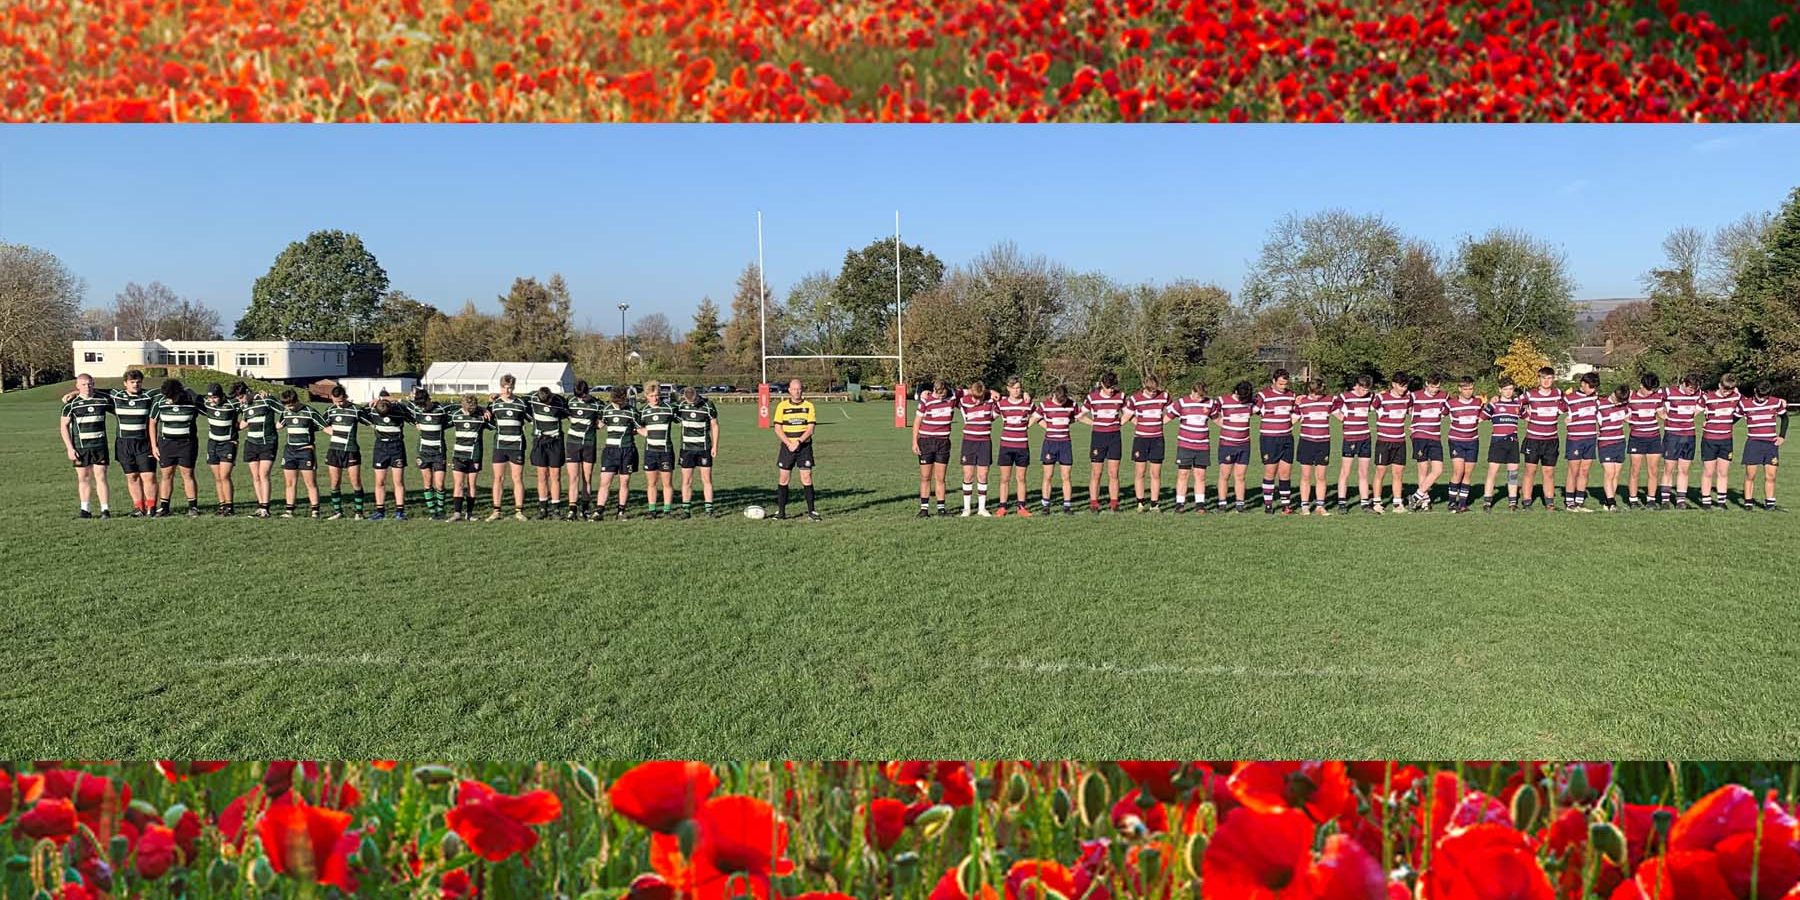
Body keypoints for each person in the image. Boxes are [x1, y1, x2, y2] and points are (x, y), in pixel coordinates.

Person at [59, 373, 113, 518]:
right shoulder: (71, 405)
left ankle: (105, 510)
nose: (87, 387)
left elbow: (116, 397)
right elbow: (63, 427)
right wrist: (69, 448)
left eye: (90, 384)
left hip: (100, 445)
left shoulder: (103, 400)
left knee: (101, 476)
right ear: (77, 385)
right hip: (80, 447)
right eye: (83, 384)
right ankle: (85, 509)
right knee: (83, 478)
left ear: (93, 384)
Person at [108, 369, 161, 516]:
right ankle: (139, 507)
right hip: (124, 443)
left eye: (138, 382)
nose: (135, 385)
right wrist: (74, 393)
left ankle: (151, 507)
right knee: (132, 476)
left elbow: (167, 389)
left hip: (144, 443)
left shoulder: (147, 395)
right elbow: (93, 390)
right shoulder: (117, 395)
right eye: (132, 382)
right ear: (125, 383)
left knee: (148, 476)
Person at [149, 377, 202, 517]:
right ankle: (164, 507)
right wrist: (154, 445)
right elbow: (152, 422)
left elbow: (210, 408)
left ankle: (193, 507)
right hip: (166, 444)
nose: (170, 399)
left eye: (172, 396)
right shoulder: (159, 401)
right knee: (166, 475)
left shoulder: (191, 400)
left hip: (187, 443)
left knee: (188, 474)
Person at [1078, 372, 1128, 513]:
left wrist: (1119, 423)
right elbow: (1080, 416)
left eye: (1113, 387)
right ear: (1101, 385)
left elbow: (1128, 413)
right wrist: (1094, 423)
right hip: (1098, 437)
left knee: (1113, 473)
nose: (1111, 390)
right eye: (1108, 387)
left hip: (1114, 437)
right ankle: (1094, 503)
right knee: (1096, 473)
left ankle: (1114, 503)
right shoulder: (1092, 397)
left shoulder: (1121, 396)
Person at [772, 378, 819, 520]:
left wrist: (798, 441)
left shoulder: (809, 406)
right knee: (784, 478)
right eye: (794, 389)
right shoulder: (782, 406)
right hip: (787, 447)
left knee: (806, 477)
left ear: (802, 390)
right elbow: (778, 428)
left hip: (804, 447)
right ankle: (781, 512)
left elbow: (810, 429)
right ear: (789, 390)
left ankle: (812, 511)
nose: (797, 391)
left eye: (799, 389)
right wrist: (789, 443)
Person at [1520, 366, 1566, 511]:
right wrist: (1525, 415)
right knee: (1530, 471)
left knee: (1549, 472)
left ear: (1553, 379)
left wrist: (1559, 411)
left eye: (1549, 378)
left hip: (1551, 440)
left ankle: (1549, 503)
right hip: (1533, 439)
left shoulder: (1558, 393)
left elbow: (1567, 404)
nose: (1546, 381)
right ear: (1538, 379)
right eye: (1543, 378)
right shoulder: (1530, 394)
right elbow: (1515, 403)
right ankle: (1527, 501)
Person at [361, 392, 412, 520]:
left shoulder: (399, 411)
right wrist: (373, 402)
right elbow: (360, 412)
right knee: (379, 481)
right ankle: (380, 511)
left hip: (397, 447)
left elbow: (408, 406)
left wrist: (382, 399)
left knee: (398, 481)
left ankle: (400, 512)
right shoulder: (374, 412)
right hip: (380, 448)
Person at [487, 374, 531, 521]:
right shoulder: (495, 403)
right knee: (498, 478)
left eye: (511, 387)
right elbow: (487, 417)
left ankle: (519, 510)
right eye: (506, 388)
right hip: (500, 445)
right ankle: (496, 510)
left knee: (517, 478)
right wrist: (488, 404)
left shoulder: (521, 403)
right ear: (501, 387)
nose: (509, 391)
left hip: (516, 446)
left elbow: (531, 418)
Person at [277, 389, 327, 518]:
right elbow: (278, 426)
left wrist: (340, 436)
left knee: (310, 483)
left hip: (306, 451)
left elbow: (325, 427)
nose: (289, 408)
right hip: (290, 451)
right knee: (289, 482)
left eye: (291, 405)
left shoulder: (310, 412)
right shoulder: (285, 412)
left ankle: (315, 511)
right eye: (286, 406)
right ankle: (289, 511)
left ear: (297, 401)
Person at [1252, 369, 1297, 514]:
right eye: (1280, 384)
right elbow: (1254, 410)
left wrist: (1290, 423)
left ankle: (1286, 505)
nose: (1283, 386)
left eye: (1285, 384)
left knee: (1285, 472)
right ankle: (1268, 504)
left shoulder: (1291, 395)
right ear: (1273, 381)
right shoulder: (1263, 395)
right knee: (1270, 471)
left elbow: (1296, 412)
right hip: (1269, 438)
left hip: (1287, 437)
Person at [406, 387, 454, 521]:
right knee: (427, 483)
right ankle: (433, 512)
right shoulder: (417, 409)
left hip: (439, 452)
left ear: (429, 399)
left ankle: (441, 510)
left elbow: (459, 406)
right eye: (419, 405)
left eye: (424, 404)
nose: (422, 408)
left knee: (440, 484)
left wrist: (483, 409)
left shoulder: (441, 409)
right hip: (423, 452)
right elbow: (401, 405)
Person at [1738, 381, 1786, 510]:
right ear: (1755, 391)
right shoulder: (1745, 404)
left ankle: (1770, 503)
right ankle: (1748, 502)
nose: (1761, 399)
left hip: (1771, 444)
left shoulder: (1776, 402)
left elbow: (1785, 418)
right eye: (1760, 396)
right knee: (1750, 475)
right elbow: (1732, 419)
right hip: (1753, 443)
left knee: (1771, 475)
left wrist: (1782, 436)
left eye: (1765, 397)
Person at [320, 385, 367, 520]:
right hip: (334, 451)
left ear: (345, 397)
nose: (338, 404)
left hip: (351, 450)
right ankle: (338, 512)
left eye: (340, 401)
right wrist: (329, 431)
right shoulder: (330, 410)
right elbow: (321, 424)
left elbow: (370, 420)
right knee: (335, 482)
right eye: (335, 401)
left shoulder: (355, 410)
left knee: (355, 482)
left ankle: (359, 513)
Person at [1170, 381, 1217, 513]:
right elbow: (1167, 417)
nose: (1200, 399)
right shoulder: (1181, 403)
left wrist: (1234, 425)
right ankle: (1180, 504)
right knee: (1183, 474)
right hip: (1185, 445)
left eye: (1202, 396)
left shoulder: (1210, 404)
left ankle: (1200, 505)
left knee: (1200, 475)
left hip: (1202, 445)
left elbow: (1218, 419)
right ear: (1192, 392)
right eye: (1198, 396)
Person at [1125, 375, 1170, 512]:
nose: (1153, 393)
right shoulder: (1135, 399)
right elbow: (1128, 415)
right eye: (1150, 391)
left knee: (1155, 473)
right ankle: (1140, 503)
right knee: (1140, 472)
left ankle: (1154, 504)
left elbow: (1173, 411)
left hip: (1157, 439)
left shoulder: (1164, 396)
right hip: (1141, 439)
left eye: (1155, 391)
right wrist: (1137, 424)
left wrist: (1162, 422)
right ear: (1145, 386)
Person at [1658, 372, 1703, 509]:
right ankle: (1665, 500)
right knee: (1669, 468)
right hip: (1672, 435)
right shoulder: (1668, 392)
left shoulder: (1699, 393)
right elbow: (1655, 399)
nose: (1692, 393)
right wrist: (1663, 415)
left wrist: (1691, 415)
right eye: (1690, 389)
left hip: (1689, 435)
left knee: (1684, 469)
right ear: (1684, 384)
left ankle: (1680, 501)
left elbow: (1705, 401)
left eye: (1694, 390)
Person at [1479, 378, 1525, 511]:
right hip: (1498, 442)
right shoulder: (1494, 405)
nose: (1508, 392)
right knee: (1493, 472)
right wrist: (1487, 403)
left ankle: (1512, 501)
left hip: (1513, 441)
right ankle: (1487, 501)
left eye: (1511, 389)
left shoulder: (1517, 405)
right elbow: (1480, 419)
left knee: (1513, 472)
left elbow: (1529, 417)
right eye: (1505, 389)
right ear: (1500, 390)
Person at [675, 386, 721, 518]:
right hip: (687, 449)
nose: (692, 404)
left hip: (704, 448)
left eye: (694, 401)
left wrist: (715, 446)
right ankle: (686, 510)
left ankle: (709, 510)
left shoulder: (708, 405)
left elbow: (715, 426)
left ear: (697, 396)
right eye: (689, 402)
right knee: (686, 480)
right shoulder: (681, 406)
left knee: (706, 479)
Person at [1332, 375, 1376, 512]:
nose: (1365, 392)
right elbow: (1332, 406)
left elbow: (1379, 402)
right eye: (1363, 389)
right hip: (1350, 438)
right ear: (1356, 385)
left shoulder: (1370, 396)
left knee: (1363, 472)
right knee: (1345, 471)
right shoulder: (1345, 397)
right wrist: (1342, 418)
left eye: (1367, 390)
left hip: (1365, 438)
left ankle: (1365, 503)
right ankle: (1342, 503)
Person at [596, 385, 641, 520]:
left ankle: (621, 511)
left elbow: (638, 429)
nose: (620, 405)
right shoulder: (606, 410)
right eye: (617, 403)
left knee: (624, 481)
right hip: (610, 451)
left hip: (627, 450)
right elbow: (599, 425)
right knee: (605, 482)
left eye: (622, 402)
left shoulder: (632, 411)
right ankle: (599, 511)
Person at [1406, 373, 1449, 511]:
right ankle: (1425, 502)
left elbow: (1451, 407)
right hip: (1420, 436)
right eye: (1432, 387)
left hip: (1435, 436)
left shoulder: (1444, 396)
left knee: (1438, 470)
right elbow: (1401, 406)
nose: (1434, 390)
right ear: (1426, 384)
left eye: (1437, 387)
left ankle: (1416, 497)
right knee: (1423, 470)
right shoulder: (1415, 395)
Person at [912, 379, 955, 517]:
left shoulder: (952, 397)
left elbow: (971, 391)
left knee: (941, 477)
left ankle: (941, 508)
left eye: (943, 394)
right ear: (934, 390)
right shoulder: (926, 400)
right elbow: (917, 422)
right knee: (925, 477)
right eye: (938, 394)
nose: (941, 397)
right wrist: (914, 441)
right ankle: (924, 509)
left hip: (943, 442)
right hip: (926, 441)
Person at [1033, 384, 1078, 515]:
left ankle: (1067, 506)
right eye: (1059, 401)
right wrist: (1048, 427)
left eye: (1063, 400)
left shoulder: (1072, 404)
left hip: (1065, 444)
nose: (1062, 403)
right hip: (1050, 443)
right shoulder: (1044, 405)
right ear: (1054, 395)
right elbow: (1036, 418)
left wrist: (1066, 422)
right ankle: (1046, 505)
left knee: (1066, 476)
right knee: (1048, 476)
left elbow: (1076, 417)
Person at [235, 384, 280, 517]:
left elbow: (285, 411)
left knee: (263, 474)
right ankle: (260, 506)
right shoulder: (245, 405)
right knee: (255, 476)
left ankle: (265, 508)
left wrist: (279, 425)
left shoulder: (266, 399)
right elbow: (244, 423)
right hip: (251, 443)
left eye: (241, 397)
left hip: (268, 442)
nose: (240, 401)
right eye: (238, 399)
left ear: (248, 392)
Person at [1289, 379, 1333, 515]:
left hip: (1324, 442)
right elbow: (1292, 420)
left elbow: (1346, 403)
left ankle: (1320, 506)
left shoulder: (1330, 400)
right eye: (1314, 394)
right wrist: (1294, 404)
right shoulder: (1302, 402)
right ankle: (1305, 506)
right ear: (1309, 391)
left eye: (1319, 394)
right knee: (1306, 475)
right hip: (1307, 442)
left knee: (1321, 476)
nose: (1317, 397)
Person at [1371, 372, 1412, 514]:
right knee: (1380, 472)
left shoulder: (1408, 398)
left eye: (1405, 386)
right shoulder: (1382, 398)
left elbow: (1413, 410)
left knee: (1398, 473)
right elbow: (1367, 405)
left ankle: (1397, 503)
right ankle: (1377, 502)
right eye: (1401, 386)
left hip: (1400, 441)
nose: (1403, 389)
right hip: (1383, 441)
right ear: (1393, 384)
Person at [1559, 372, 1600, 512]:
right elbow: (1556, 409)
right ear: (1582, 384)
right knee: (1573, 471)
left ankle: (1580, 502)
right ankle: (1569, 502)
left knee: (1585, 470)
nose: (1592, 390)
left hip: (1591, 438)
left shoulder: (1596, 398)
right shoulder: (1569, 398)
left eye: (1594, 387)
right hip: (1575, 439)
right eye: (1591, 386)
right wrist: (1566, 419)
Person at [1699, 373, 1741, 510]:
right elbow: (1692, 411)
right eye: (1725, 389)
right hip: (1709, 440)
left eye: (1730, 390)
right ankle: (1706, 502)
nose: (1727, 392)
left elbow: (1751, 403)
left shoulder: (1736, 397)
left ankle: (1721, 502)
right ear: (1719, 385)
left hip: (1726, 440)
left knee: (1723, 472)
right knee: (1708, 471)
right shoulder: (1708, 397)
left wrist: (1781, 401)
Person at [993, 377, 1034, 517]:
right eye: (1014, 388)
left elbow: (1038, 415)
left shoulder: (1027, 403)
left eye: (1019, 388)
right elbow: (990, 416)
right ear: (1008, 389)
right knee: (1004, 478)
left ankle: (1021, 507)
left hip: (1022, 445)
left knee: (1021, 478)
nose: (1017, 390)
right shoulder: (1001, 404)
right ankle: (1002, 507)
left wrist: (1029, 425)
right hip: (1006, 446)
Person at [638, 380, 680, 518]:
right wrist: (642, 431)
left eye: (656, 395)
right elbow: (636, 425)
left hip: (666, 451)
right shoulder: (643, 411)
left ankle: (667, 510)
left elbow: (681, 419)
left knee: (667, 483)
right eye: (651, 395)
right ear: (646, 396)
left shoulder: (669, 408)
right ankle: (652, 511)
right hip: (650, 451)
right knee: (652, 483)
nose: (654, 398)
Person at [563, 381, 604, 519]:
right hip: (572, 443)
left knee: (587, 477)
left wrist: (599, 424)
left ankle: (585, 509)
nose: (580, 399)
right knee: (573, 477)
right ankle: (572, 509)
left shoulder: (597, 404)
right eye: (578, 396)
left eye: (583, 396)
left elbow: (603, 419)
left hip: (589, 443)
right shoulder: (570, 401)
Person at [446, 393, 490, 522]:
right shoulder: (455, 415)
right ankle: (457, 513)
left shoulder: (481, 417)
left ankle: (469, 514)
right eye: (468, 409)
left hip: (473, 456)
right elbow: (444, 415)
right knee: (458, 484)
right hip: (458, 455)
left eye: (473, 409)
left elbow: (493, 424)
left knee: (472, 485)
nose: (471, 412)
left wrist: (483, 409)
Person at [526, 385, 568, 519]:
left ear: (551, 396)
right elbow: (517, 402)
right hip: (540, 441)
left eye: (548, 401)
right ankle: (543, 509)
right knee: (542, 475)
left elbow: (568, 411)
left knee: (555, 475)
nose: (546, 404)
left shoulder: (559, 401)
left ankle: (556, 509)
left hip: (555, 441)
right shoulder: (532, 397)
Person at [200, 383, 241, 516]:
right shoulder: (207, 403)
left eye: (215, 398)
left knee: (225, 476)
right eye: (210, 398)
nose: (212, 401)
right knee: (217, 477)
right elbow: (192, 395)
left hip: (228, 443)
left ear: (222, 396)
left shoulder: (232, 404)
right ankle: (222, 505)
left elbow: (247, 403)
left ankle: (229, 506)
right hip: (213, 443)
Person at [1625, 373, 1665, 509]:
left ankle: (1651, 500)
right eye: (1648, 389)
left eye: (1652, 390)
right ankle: (1633, 500)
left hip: (1653, 438)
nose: (1650, 392)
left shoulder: (1657, 397)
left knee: (1653, 470)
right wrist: (1628, 419)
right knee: (1635, 470)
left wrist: (1680, 417)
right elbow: (1622, 413)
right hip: (1636, 438)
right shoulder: (1630, 397)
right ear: (1641, 385)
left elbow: (1661, 414)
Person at [1444, 376, 1483, 513]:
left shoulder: (1478, 402)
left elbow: (1487, 413)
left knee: (1468, 473)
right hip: (1456, 441)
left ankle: (1462, 504)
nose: (1468, 392)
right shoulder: (1451, 403)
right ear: (1459, 389)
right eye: (1465, 389)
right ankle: (1451, 502)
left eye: (1470, 388)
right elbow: (1437, 413)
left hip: (1473, 441)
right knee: (1458, 471)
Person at [1215, 381, 1256, 512]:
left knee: (1240, 476)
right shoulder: (1223, 400)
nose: (1243, 401)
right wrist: (1222, 424)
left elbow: (1264, 403)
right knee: (1224, 475)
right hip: (1227, 444)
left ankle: (1240, 503)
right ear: (1236, 392)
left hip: (1244, 444)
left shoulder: (1250, 402)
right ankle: (1222, 503)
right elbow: (1210, 410)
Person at [1596, 383, 1630, 512]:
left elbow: (1628, 417)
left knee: (1616, 474)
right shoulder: (1600, 404)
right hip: (1606, 443)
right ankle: (1612, 503)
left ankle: (1608, 500)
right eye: (1618, 400)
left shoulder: (1624, 405)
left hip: (1620, 442)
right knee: (1609, 473)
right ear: (1614, 394)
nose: (1619, 403)